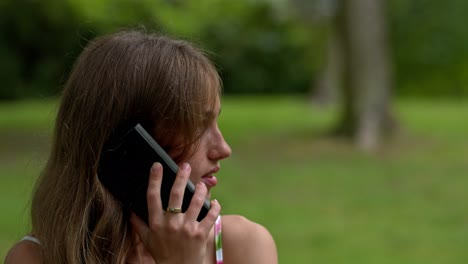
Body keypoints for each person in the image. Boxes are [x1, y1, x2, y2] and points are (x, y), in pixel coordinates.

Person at [5, 30, 278, 264]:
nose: (223, 148)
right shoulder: (34, 258)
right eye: (197, 126)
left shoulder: (243, 247)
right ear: (128, 145)